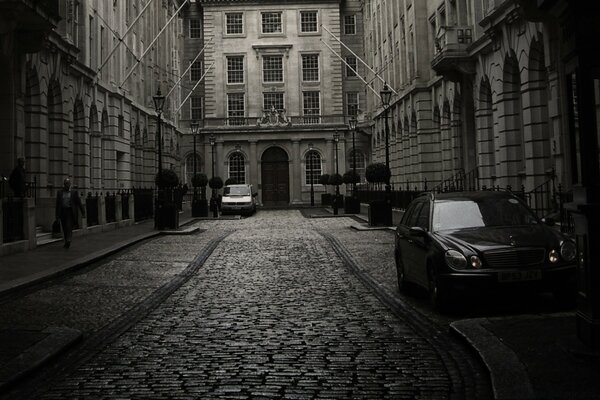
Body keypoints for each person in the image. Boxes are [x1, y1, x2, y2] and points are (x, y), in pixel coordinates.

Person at [55, 178, 85, 249]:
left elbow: (79, 203)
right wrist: (57, 216)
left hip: (70, 212)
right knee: (64, 227)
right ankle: (66, 241)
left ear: (70, 184)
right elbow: (57, 204)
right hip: (62, 212)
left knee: (69, 226)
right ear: (64, 184)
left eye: (68, 184)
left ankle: (68, 239)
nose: (67, 185)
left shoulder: (74, 193)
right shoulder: (60, 192)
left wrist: (83, 212)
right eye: (66, 184)